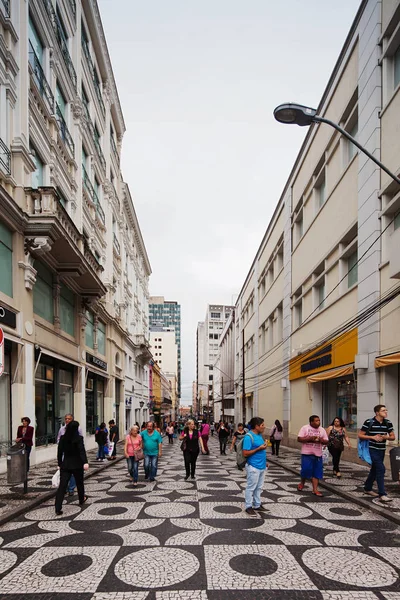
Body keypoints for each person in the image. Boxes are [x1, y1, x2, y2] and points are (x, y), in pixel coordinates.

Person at [358, 404, 395, 502]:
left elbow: (393, 437)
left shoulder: (388, 423)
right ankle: (382, 494)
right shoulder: (369, 422)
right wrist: (372, 437)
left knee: (375, 469)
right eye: (383, 410)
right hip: (371, 449)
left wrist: (385, 437)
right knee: (381, 469)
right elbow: (360, 435)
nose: (386, 412)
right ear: (377, 412)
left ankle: (367, 488)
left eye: (386, 410)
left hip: (382, 449)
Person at [55, 420, 89, 515]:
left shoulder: (63, 438)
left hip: (65, 464)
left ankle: (58, 507)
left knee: (62, 486)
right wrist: (85, 462)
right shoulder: (78, 438)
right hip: (77, 464)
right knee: (79, 483)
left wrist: (59, 463)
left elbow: (59, 452)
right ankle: (81, 499)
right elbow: (81, 450)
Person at [297, 415, 329, 496]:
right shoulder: (305, 428)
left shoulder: (322, 430)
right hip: (307, 453)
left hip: (318, 454)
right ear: (311, 422)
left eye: (319, 420)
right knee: (305, 470)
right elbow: (299, 439)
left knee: (317, 472)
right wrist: (310, 438)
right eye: (316, 421)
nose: (318, 422)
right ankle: (302, 483)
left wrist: (321, 440)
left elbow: (326, 441)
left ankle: (315, 489)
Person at [242, 416, 268, 516]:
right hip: (253, 466)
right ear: (256, 426)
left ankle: (257, 504)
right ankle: (248, 506)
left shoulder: (260, 435)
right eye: (262, 425)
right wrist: (258, 449)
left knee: (259, 487)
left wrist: (265, 461)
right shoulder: (249, 437)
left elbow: (261, 451)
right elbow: (245, 453)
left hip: (262, 466)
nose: (264, 427)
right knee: (251, 487)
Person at [57, 414, 83, 495]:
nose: (67, 420)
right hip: (65, 452)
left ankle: (71, 488)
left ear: (72, 420)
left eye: (69, 419)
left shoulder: (78, 429)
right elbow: (58, 439)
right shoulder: (62, 429)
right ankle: (64, 487)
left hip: (75, 454)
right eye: (66, 419)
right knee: (64, 471)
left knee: (73, 472)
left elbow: (80, 440)